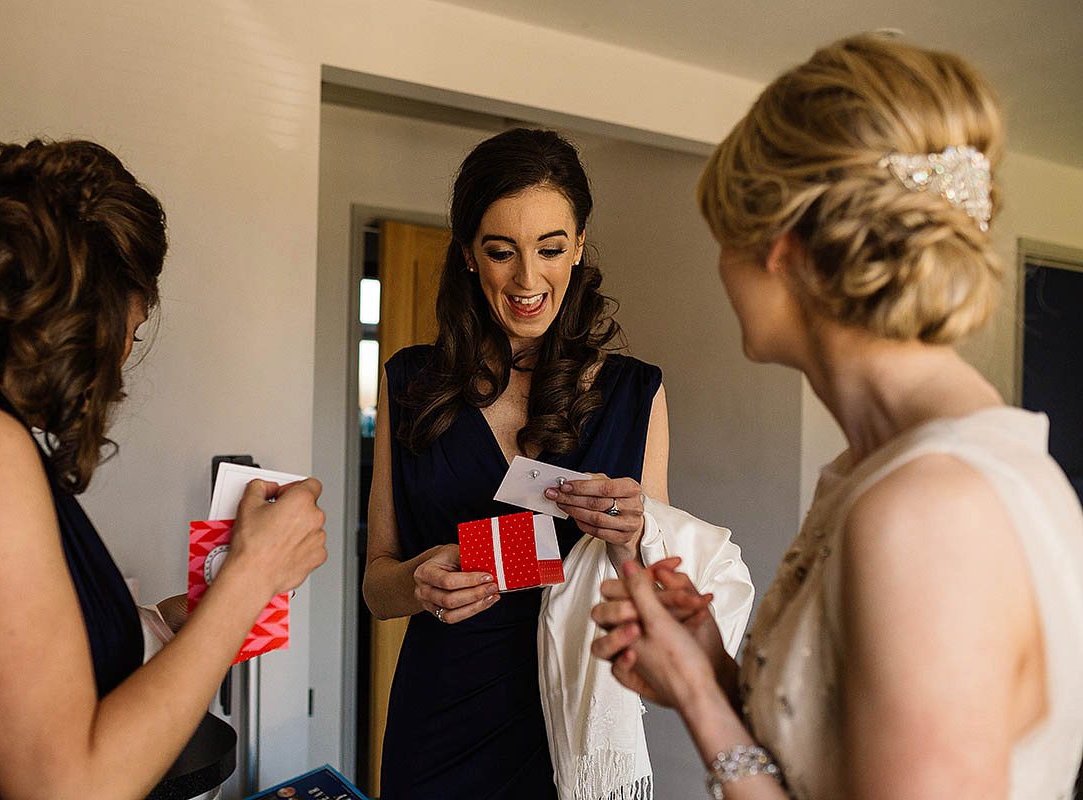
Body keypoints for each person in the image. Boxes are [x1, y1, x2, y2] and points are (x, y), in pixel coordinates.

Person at [591, 34, 1083, 800]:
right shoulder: (891, 473)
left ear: (779, 250)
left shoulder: (932, 512)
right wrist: (714, 669)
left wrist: (695, 699)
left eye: (723, 236)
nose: (720, 269)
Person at [0, 139, 328, 798]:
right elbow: (69, 786)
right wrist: (251, 574)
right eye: (132, 326)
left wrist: (182, 614)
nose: (123, 355)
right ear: (89, 311)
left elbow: (20, 652)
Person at [362, 128, 753, 799]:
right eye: (500, 252)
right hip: (440, 725)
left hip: (573, 725)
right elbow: (376, 585)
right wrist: (419, 582)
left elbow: (646, 593)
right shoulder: (408, 384)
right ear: (467, 256)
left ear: (577, 247)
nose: (526, 280)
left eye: (549, 248)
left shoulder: (636, 393)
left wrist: (634, 531)